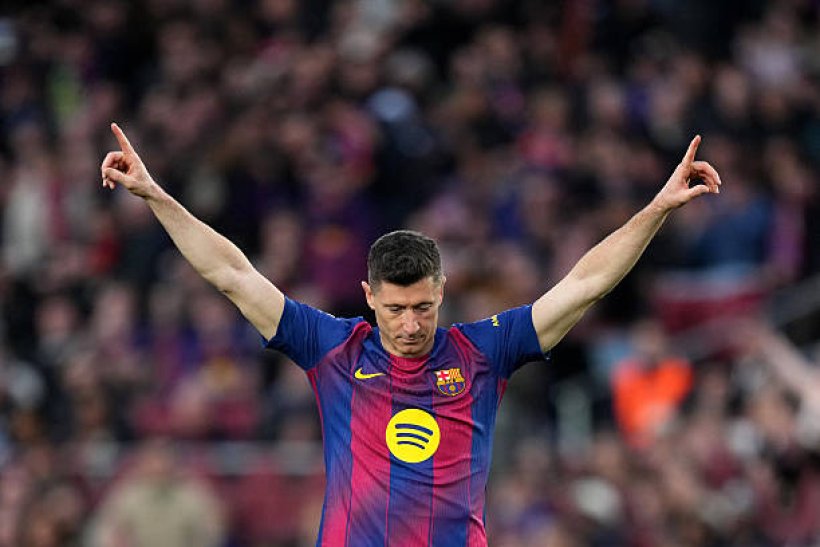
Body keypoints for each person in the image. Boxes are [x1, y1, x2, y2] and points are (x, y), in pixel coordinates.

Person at [100, 122, 721, 546]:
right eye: (395, 309)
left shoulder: (484, 351)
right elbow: (233, 275)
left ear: (441, 291)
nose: (410, 324)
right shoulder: (332, 348)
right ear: (369, 297)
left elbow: (584, 284)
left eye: (423, 306)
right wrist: (155, 195)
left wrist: (656, 209)